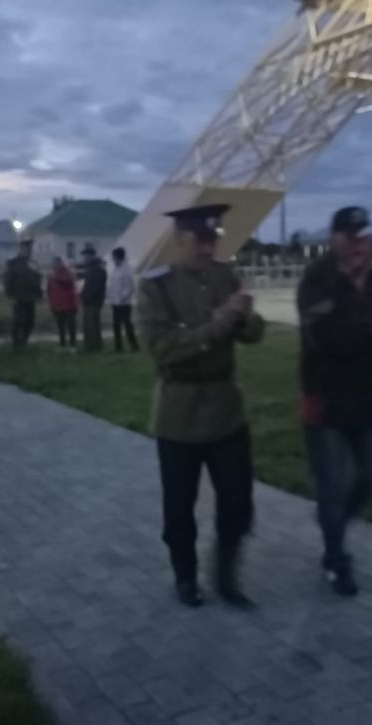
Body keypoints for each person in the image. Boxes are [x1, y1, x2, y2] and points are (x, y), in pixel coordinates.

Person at [138, 204, 265, 608]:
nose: (209, 249)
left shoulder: (225, 276)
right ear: (180, 240)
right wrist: (220, 322)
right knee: (179, 509)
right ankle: (186, 576)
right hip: (179, 413)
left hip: (226, 410)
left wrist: (245, 318)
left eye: (214, 240)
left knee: (238, 501)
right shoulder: (156, 287)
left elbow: (254, 333)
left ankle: (226, 574)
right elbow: (163, 348)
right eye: (201, 241)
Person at [297, 207, 372, 596]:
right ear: (335, 239)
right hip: (326, 399)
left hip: (369, 397)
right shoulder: (317, 280)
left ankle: (333, 520)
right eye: (352, 236)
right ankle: (335, 558)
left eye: (365, 236)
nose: (361, 244)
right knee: (332, 484)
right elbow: (326, 337)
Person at [4, 238, 42, 348]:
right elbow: (8, 280)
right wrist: (10, 296)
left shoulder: (33, 263)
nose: (28, 251)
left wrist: (39, 294)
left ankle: (24, 341)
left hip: (30, 298)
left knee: (30, 321)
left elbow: (37, 279)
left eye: (29, 249)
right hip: (18, 297)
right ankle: (16, 344)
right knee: (19, 321)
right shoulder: (13, 263)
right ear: (20, 249)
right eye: (25, 248)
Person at [107, 246, 139, 352]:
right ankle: (118, 347)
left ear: (118, 257)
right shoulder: (114, 269)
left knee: (127, 324)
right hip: (115, 302)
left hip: (124, 303)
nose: (113, 259)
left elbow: (130, 287)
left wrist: (122, 298)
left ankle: (134, 346)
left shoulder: (127, 269)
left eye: (114, 257)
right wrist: (111, 297)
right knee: (116, 325)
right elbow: (111, 285)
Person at [47, 257, 79, 350]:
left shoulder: (67, 272)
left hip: (69, 304)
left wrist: (54, 278)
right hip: (57, 304)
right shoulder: (52, 274)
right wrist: (51, 303)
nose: (55, 265)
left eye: (57, 263)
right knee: (60, 326)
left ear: (61, 263)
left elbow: (68, 281)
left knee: (71, 326)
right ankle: (62, 344)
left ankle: (73, 345)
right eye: (54, 263)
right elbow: (49, 290)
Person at [81, 253, 107, 352]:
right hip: (87, 301)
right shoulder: (90, 271)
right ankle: (89, 345)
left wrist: (87, 297)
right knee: (87, 325)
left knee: (93, 325)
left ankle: (95, 345)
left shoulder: (100, 272)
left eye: (87, 257)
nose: (85, 259)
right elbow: (86, 286)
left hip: (94, 302)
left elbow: (96, 288)